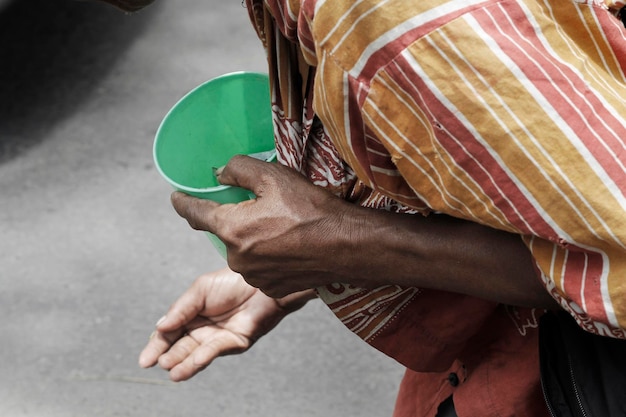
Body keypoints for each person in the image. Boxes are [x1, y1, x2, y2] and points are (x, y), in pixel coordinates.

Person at [100, 0, 626, 415]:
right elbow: (484, 165)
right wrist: (300, 265)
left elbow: (615, 265)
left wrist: (347, 244)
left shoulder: (389, 20)